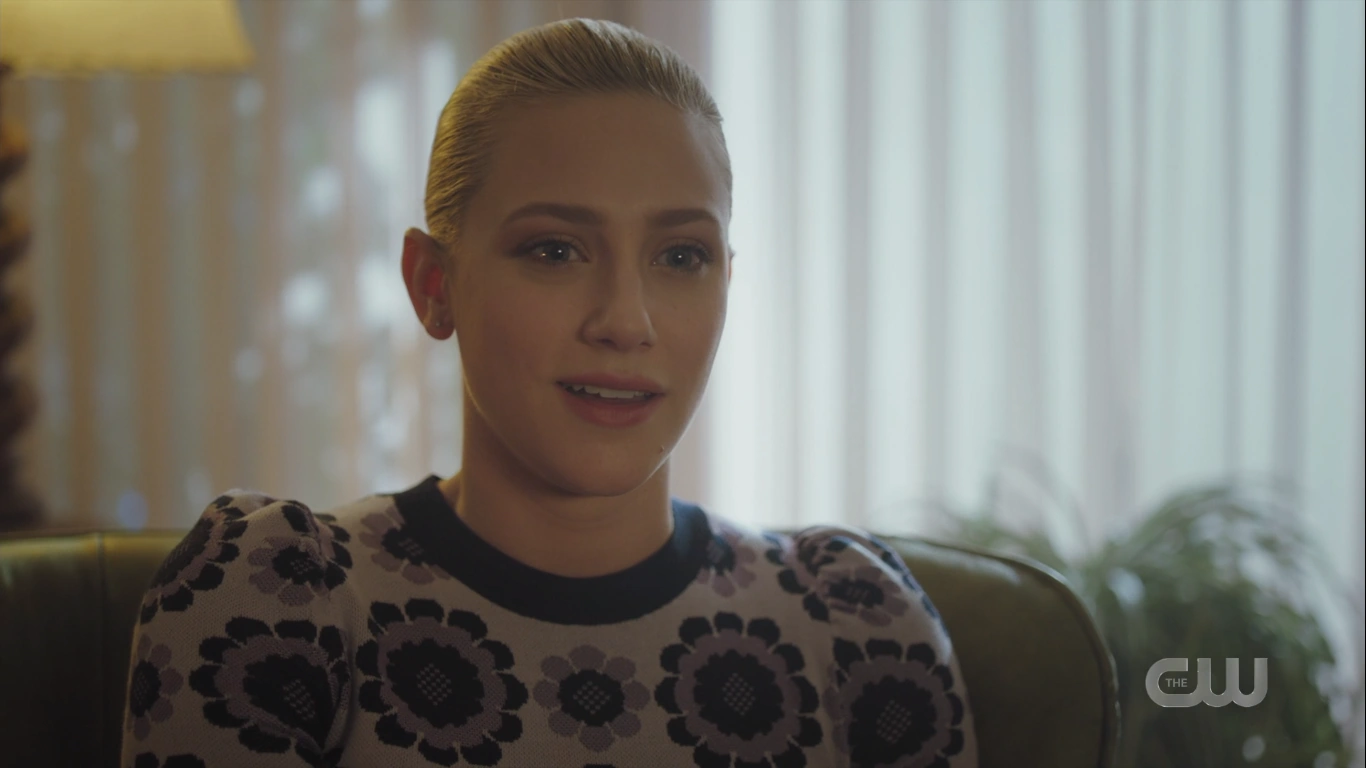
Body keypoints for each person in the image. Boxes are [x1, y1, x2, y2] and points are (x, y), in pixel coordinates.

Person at [120, 18, 978, 768]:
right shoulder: (278, 604)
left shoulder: (857, 627)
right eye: (555, 250)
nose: (626, 321)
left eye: (681, 256)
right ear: (433, 285)